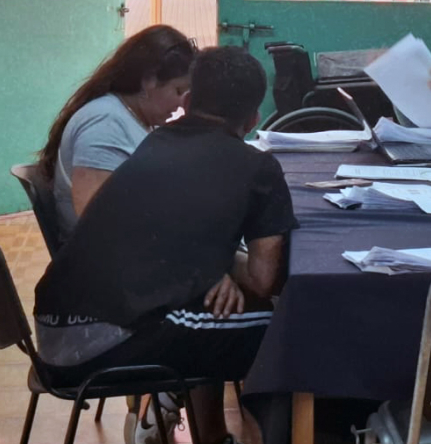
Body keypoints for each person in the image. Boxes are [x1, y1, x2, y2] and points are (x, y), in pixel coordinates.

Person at [34, 46, 297, 444]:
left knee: (216, 310)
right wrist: (226, 263)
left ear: (187, 102)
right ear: (253, 120)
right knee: (285, 330)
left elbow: (167, 232)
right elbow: (263, 280)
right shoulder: (257, 167)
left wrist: (218, 265)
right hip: (97, 344)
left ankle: (211, 435)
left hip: (57, 327)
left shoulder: (155, 144)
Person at [37, 25, 196, 240]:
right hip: (102, 256)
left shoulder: (138, 119)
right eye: (178, 91)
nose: (180, 104)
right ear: (148, 81)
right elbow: (97, 221)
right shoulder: (104, 124)